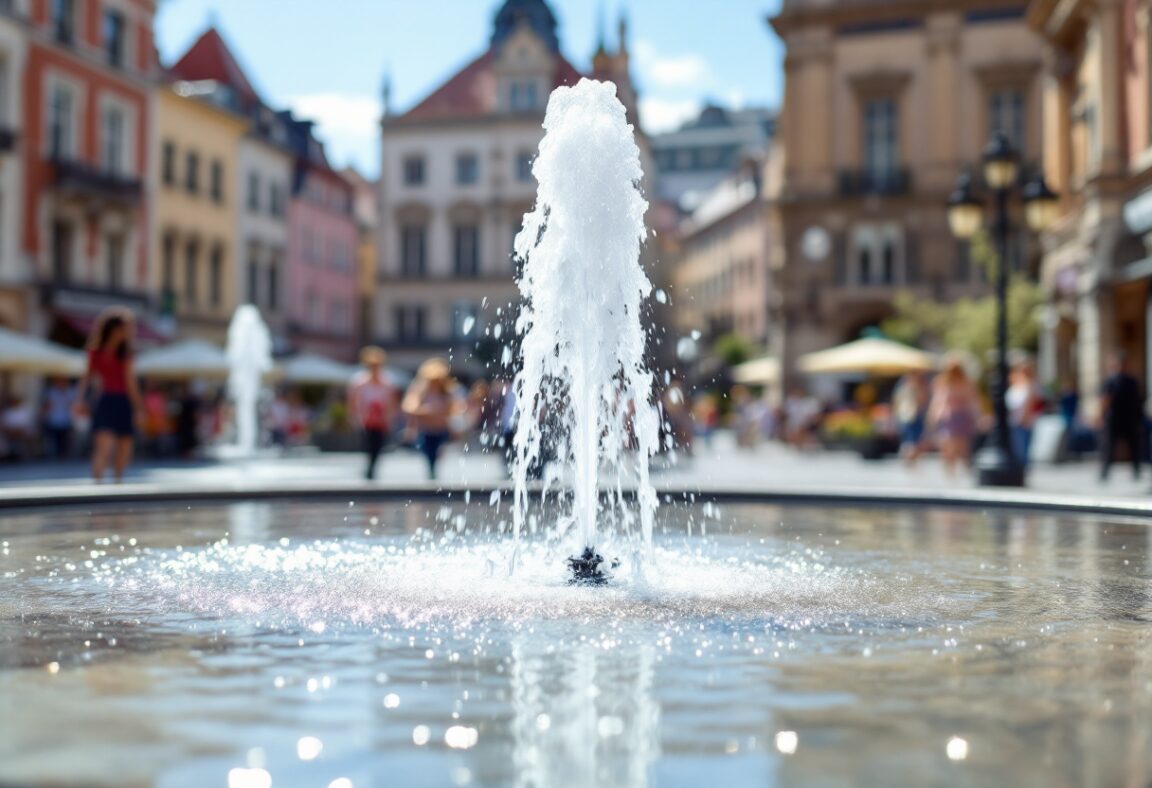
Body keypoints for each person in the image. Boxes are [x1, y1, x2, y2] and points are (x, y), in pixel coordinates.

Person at [73, 307, 142, 483]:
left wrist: (139, 408)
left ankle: (115, 484)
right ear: (114, 330)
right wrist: (79, 400)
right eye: (126, 328)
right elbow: (87, 378)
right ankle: (101, 484)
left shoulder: (122, 354)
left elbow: (130, 384)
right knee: (107, 447)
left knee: (121, 446)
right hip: (109, 400)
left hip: (116, 401)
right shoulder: (99, 353)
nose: (129, 332)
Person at [402, 357, 463, 480]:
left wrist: (445, 411)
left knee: (436, 450)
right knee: (428, 450)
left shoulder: (447, 391)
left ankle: (433, 469)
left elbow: (456, 408)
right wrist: (427, 411)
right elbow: (409, 406)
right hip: (425, 428)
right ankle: (431, 470)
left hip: (441, 428)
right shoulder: (419, 390)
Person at [347, 346, 399, 481]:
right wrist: (355, 417)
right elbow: (353, 402)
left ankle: (372, 467)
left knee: (378, 444)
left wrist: (390, 418)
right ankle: (370, 467)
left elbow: (391, 403)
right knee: (368, 443)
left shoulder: (387, 382)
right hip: (365, 419)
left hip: (381, 419)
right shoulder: (359, 381)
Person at [927, 358, 980, 475]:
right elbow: (937, 401)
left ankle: (965, 469)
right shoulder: (941, 382)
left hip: (962, 417)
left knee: (962, 445)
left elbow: (972, 402)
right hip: (948, 417)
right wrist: (933, 417)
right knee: (947, 443)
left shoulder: (967, 383)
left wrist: (977, 417)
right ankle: (950, 469)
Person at [1099, 351, 1144, 481]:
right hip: (1114, 418)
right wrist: (1102, 415)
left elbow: (1137, 400)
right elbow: (1105, 399)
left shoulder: (1131, 381)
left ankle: (1136, 470)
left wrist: (1138, 418)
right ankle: (1105, 471)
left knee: (1134, 445)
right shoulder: (1110, 381)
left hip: (1129, 418)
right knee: (1108, 445)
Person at [1006, 359, 1043, 467]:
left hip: (1025, 421)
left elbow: (1032, 402)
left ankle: (1022, 469)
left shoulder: (1032, 385)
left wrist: (1024, 417)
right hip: (1014, 419)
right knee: (1017, 446)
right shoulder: (1016, 384)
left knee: (1022, 448)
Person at [893, 370, 929, 466]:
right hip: (907, 416)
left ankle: (911, 460)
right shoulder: (903, 386)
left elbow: (923, 401)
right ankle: (909, 459)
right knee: (910, 440)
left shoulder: (922, 386)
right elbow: (898, 401)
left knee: (918, 441)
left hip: (918, 416)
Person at [41, 377, 76, 458]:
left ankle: (64, 455)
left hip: (67, 419)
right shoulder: (51, 392)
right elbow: (47, 405)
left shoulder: (71, 391)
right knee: (54, 439)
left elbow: (73, 404)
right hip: (54, 419)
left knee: (65, 439)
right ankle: (55, 455)